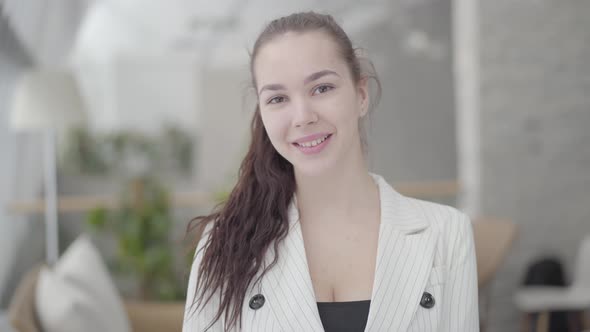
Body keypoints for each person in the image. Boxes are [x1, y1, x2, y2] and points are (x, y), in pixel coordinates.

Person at [183, 11, 479, 332]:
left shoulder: (446, 234)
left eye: (322, 88)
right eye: (278, 98)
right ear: (263, 113)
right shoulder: (226, 241)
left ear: (361, 95)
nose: (302, 116)